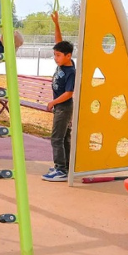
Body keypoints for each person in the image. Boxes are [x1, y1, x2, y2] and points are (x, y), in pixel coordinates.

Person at [42, 41, 77, 183]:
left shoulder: (71, 71)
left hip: (64, 108)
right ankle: (66, 166)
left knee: (56, 138)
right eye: (54, 55)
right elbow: (59, 40)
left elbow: (69, 93)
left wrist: (53, 102)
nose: (55, 58)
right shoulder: (62, 65)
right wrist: (56, 24)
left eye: (58, 55)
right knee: (63, 137)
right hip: (61, 108)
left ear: (68, 56)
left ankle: (60, 169)